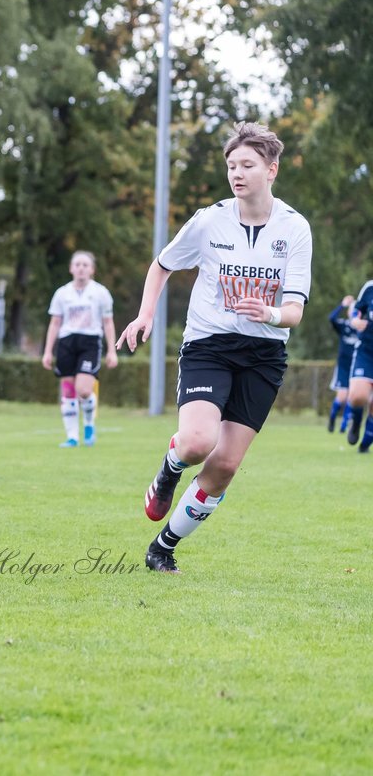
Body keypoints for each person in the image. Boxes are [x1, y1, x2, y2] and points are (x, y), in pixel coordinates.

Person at [116, 121, 311, 574]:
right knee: (199, 442)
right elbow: (161, 265)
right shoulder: (209, 220)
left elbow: (295, 311)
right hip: (210, 344)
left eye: (247, 165)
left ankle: (162, 548)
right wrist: (145, 315)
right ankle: (170, 466)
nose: (237, 173)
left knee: (225, 464)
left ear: (272, 170)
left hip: (264, 354)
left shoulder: (295, 228)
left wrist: (270, 313)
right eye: (231, 165)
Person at [41, 251, 119, 447]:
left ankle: (89, 424)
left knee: (83, 390)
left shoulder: (100, 293)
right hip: (66, 342)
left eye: (85, 265)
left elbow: (108, 323)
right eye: (77, 264)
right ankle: (72, 437)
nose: (81, 268)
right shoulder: (62, 293)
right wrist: (48, 351)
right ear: (71, 268)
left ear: (92, 270)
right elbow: (55, 323)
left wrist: (112, 350)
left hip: (90, 342)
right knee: (68, 390)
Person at [343, 280, 373, 451]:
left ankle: (364, 446)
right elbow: (357, 311)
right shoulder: (369, 287)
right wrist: (355, 321)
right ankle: (354, 422)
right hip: (367, 351)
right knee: (357, 396)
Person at [326, 295, 359, 433]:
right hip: (343, 367)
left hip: (356, 368)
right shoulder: (343, 325)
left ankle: (344, 426)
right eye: (352, 310)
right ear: (348, 312)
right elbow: (331, 318)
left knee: (352, 397)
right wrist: (342, 305)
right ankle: (332, 418)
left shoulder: (362, 328)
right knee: (342, 397)